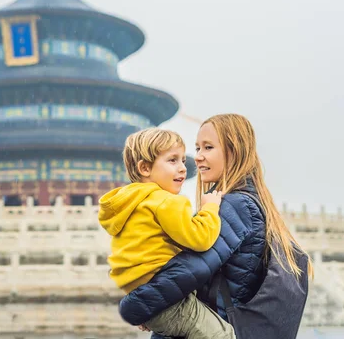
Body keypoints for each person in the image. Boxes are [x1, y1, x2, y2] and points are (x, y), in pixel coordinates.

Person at [119, 114, 313, 339]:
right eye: (197, 148)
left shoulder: (234, 206)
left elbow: (190, 269)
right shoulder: (249, 202)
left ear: (233, 151)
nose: (198, 157)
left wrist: (137, 305)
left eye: (208, 148)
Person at [98, 127, 236, 339]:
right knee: (223, 335)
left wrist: (148, 309)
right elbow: (200, 239)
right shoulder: (165, 202)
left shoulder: (130, 204)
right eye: (172, 161)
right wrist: (211, 207)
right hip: (168, 300)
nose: (183, 168)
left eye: (182, 160)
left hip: (146, 299)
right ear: (145, 168)